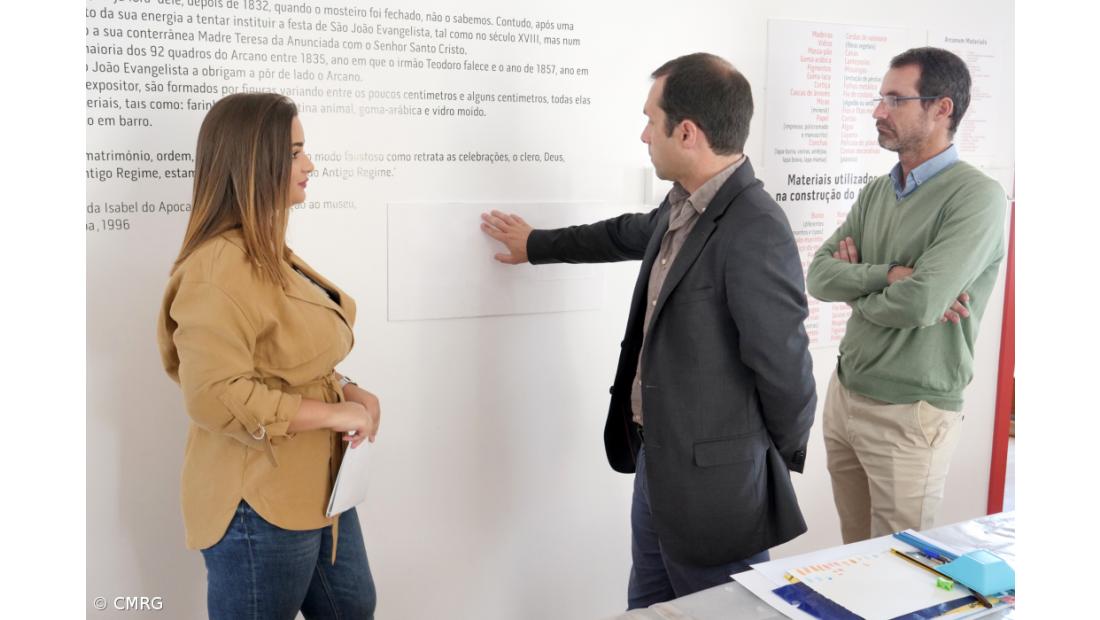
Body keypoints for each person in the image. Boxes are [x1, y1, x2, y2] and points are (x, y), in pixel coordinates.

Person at [480, 53, 816, 608]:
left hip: (717, 491)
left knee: (719, 611)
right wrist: (536, 244)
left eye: (649, 120)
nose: (643, 135)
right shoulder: (684, 205)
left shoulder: (755, 226)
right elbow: (622, 234)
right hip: (657, 467)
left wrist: (753, 465)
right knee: (649, 607)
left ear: (686, 132)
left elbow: (788, 373)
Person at [157, 93, 380, 619]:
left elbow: (287, 351)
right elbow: (213, 396)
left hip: (322, 489)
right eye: (296, 152)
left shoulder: (268, 250)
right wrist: (332, 412)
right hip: (258, 502)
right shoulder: (216, 269)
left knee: (353, 607)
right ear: (255, 163)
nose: (310, 165)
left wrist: (346, 387)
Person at [806, 47, 1007, 544]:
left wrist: (861, 292)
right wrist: (891, 274)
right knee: (852, 556)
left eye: (895, 100)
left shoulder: (976, 197)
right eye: (881, 98)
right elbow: (818, 276)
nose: (878, 111)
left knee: (900, 571)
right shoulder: (877, 191)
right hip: (846, 397)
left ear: (942, 109)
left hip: (911, 414)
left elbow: (919, 303)